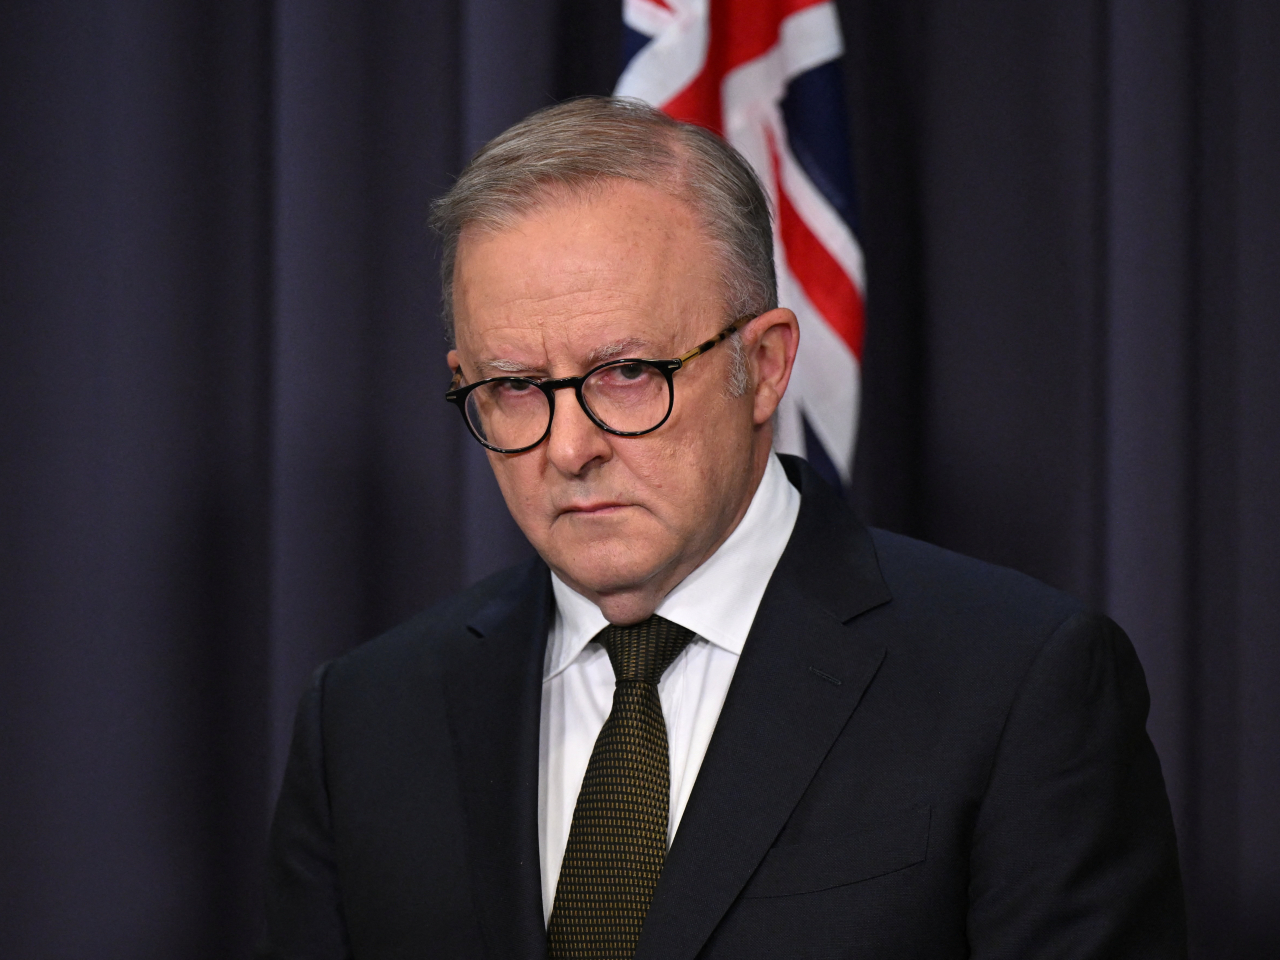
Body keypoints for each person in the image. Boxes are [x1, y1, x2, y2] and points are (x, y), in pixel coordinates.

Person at [260, 97, 1186, 960]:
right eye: (513, 388)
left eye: (626, 372)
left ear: (767, 364)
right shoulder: (366, 720)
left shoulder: (1019, 686)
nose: (570, 447)